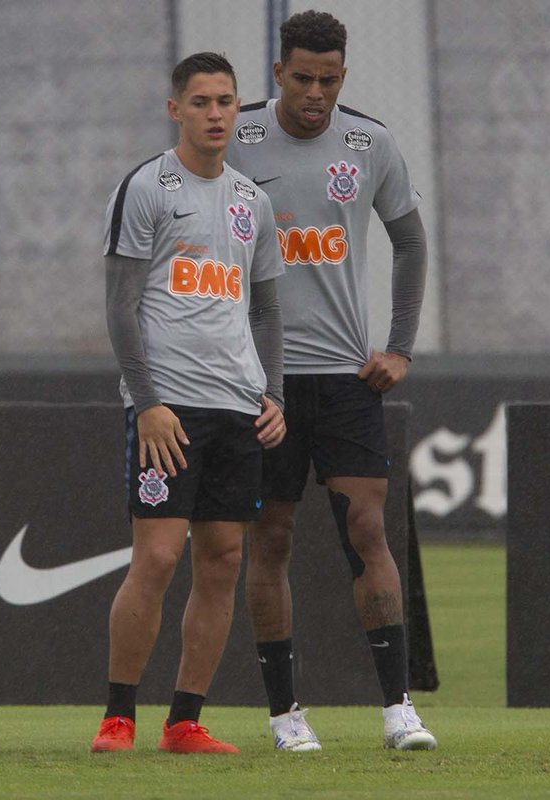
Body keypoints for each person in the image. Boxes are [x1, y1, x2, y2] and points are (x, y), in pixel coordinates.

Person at [225, 9, 436, 752]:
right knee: (270, 540)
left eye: (330, 80)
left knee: (368, 529)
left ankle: (399, 710)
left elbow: (410, 241)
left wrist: (400, 348)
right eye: (304, 79)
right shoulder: (236, 136)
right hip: (262, 383)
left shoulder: (370, 142)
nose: (316, 93)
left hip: (347, 378)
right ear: (278, 73)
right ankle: (286, 716)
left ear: (343, 76)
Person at [90, 52, 286, 755]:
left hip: (237, 406)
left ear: (238, 108)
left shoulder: (251, 200)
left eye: (225, 101)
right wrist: (146, 401)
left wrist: (273, 392)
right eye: (200, 102)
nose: (214, 114)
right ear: (176, 109)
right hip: (168, 406)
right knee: (158, 558)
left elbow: (266, 309)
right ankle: (118, 716)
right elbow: (121, 306)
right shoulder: (147, 187)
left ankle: (184, 721)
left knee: (224, 560)